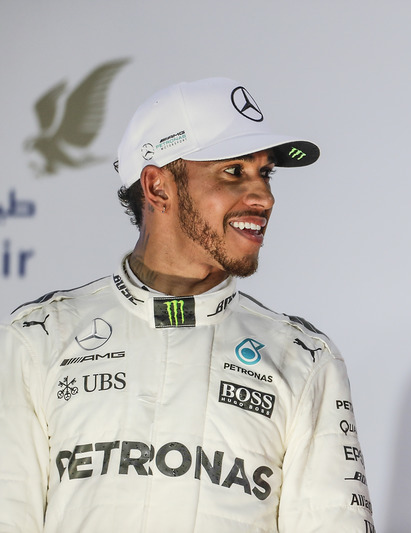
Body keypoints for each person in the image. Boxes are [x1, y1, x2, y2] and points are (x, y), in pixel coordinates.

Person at [0, 77, 374, 532]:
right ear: (158, 187)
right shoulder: (36, 339)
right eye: (234, 171)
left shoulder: (304, 359)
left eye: (265, 173)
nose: (264, 197)